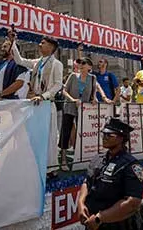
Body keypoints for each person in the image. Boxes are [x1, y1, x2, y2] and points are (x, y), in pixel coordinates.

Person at [9, 31, 63, 178]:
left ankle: (50, 169)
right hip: (34, 104)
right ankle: (37, 165)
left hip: (46, 105)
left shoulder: (56, 64)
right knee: (36, 136)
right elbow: (19, 60)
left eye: (43, 43)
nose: (40, 44)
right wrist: (13, 42)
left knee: (49, 137)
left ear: (51, 46)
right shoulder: (37, 62)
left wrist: (43, 96)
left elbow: (58, 85)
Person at [78, 117, 143, 230]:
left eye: (109, 135)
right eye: (103, 134)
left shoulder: (131, 165)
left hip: (119, 225)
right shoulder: (97, 159)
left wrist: (100, 218)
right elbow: (87, 182)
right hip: (93, 223)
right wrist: (81, 203)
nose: (104, 138)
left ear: (121, 138)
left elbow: (133, 202)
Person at [60, 57, 97, 171]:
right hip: (70, 107)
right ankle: (63, 160)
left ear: (89, 67)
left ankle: (81, 157)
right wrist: (73, 99)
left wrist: (94, 99)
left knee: (83, 132)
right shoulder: (73, 76)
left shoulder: (92, 78)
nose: (81, 65)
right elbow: (64, 91)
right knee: (65, 132)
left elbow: (93, 93)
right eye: (80, 63)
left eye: (84, 63)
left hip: (84, 109)